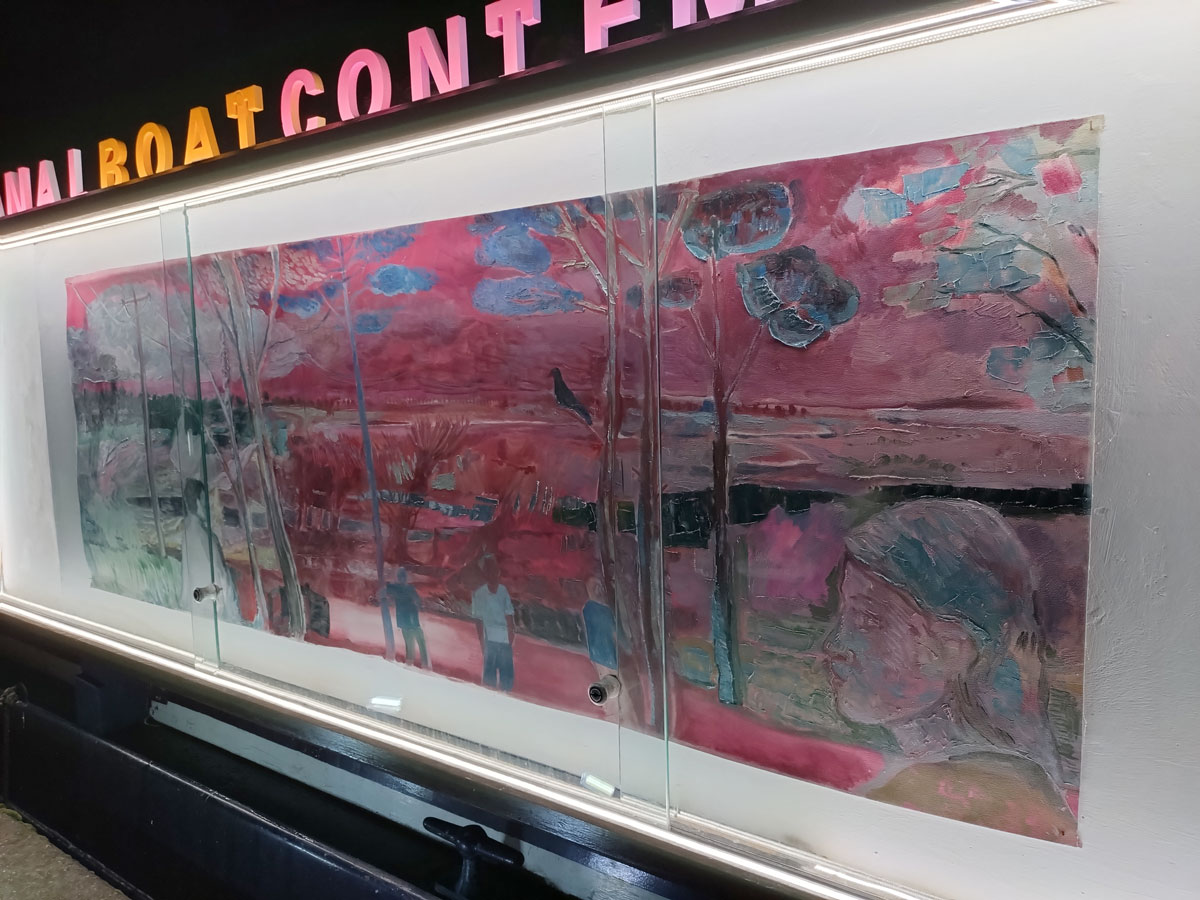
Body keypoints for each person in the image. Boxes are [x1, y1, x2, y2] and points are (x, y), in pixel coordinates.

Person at [823, 498, 1078, 843]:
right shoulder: (1016, 777)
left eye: (868, 620)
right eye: (844, 615)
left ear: (952, 647)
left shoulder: (935, 796)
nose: (834, 643)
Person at [471, 556, 515, 692]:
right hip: (491, 640)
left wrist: (510, 638)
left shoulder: (503, 591)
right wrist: (482, 643)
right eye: (489, 571)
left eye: (494, 571)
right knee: (490, 682)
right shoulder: (479, 594)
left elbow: (509, 617)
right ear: (485, 574)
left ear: (498, 572)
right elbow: (478, 622)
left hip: (503, 640)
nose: (492, 574)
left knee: (506, 682)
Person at [385, 568, 429, 669]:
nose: (402, 579)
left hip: (408, 619)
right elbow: (417, 601)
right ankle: (418, 664)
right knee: (416, 641)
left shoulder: (399, 588)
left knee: (414, 642)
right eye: (401, 577)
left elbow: (417, 601)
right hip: (409, 620)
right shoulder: (403, 588)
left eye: (403, 577)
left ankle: (416, 663)